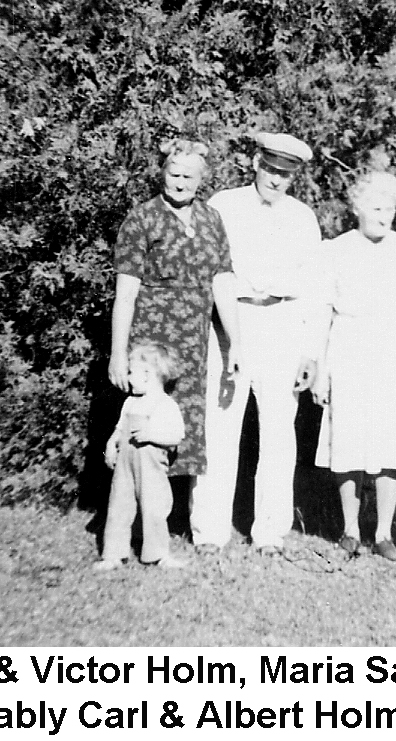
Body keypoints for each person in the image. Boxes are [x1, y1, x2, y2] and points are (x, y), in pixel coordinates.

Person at [191, 132, 323, 555]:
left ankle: (269, 532)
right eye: (271, 169)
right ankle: (209, 530)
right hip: (233, 319)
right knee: (221, 423)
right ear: (255, 162)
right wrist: (228, 335)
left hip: (282, 322)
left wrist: (309, 349)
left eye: (286, 174)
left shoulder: (303, 218)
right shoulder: (224, 206)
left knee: (279, 431)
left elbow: (313, 288)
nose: (277, 179)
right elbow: (209, 273)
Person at [108, 139, 239, 562]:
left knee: (179, 429)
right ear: (162, 173)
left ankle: (166, 530)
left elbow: (221, 281)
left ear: (202, 180)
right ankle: (135, 537)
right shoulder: (142, 218)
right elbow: (125, 294)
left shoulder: (211, 219)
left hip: (195, 342)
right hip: (153, 343)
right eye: (174, 173)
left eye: (189, 176)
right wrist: (117, 353)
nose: (180, 182)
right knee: (143, 437)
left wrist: (234, 340)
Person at [313, 168, 396, 561]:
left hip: (393, 354)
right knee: (348, 440)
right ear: (356, 207)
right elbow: (322, 309)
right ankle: (350, 530)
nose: (384, 215)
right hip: (348, 350)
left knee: (390, 442)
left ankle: (383, 533)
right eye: (376, 207)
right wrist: (320, 367)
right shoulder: (335, 250)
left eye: (391, 208)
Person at [95, 343, 187, 570]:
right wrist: (111, 443)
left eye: (130, 372)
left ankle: (158, 554)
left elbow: (177, 435)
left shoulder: (166, 405)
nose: (128, 377)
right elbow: (120, 428)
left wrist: (151, 435)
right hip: (125, 466)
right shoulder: (130, 402)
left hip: (151, 468)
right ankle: (113, 554)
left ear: (147, 375)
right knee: (119, 506)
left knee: (154, 508)